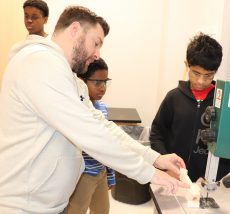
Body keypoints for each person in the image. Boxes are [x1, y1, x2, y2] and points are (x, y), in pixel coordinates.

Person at [0, 6, 188, 214]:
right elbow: (90, 133)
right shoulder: (39, 64)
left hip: (50, 205)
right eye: (96, 43)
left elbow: (102, 126)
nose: (97, 55)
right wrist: (148, 173)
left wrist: (154, 158)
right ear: (74, 29)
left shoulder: (69, 78)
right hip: (23, 208)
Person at [150, 32, 230, 182]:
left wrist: (212, 176)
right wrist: (166, 166)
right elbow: (156, 134)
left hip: (203, 183)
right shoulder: (173, 98)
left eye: (208, 75)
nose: (201, 81)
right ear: (187, 65)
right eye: (196, 73)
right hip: (171, 177)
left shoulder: (222, 105)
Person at [67, 58, 115, 214]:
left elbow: (108, 145)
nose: (102, 88)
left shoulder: (103, 109)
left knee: (102, 211)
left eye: (105, 82)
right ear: (82, 81)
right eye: (97, 83)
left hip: (101, 173)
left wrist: (110, 174)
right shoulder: (77, 110)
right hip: (83, 176)